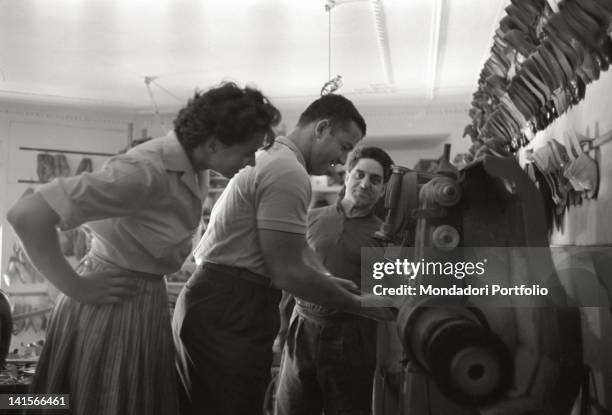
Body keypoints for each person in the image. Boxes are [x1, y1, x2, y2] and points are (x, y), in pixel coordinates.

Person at [6, 82, 281, 415]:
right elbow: (27, 215)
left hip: (139, 304)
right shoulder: (146, 170)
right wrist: (76, 286)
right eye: (246, 151)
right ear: (213, 143)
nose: (251, 162)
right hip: (110, 306)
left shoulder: (194, 170)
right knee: (87, 402)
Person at [172, 94, 394, 415]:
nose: (342, 161)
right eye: (345, 147)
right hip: (231, 306)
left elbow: (296, 253)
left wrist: (334, 284)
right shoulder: (289, 172)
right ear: (321, 129)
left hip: (224, 301)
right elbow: (287, 272)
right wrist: (361, 304)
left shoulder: (271, 158)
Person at [274, 146, 394, 415]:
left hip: (354, 336)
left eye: (375, 180)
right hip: (302, 328)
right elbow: (289, 278)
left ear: (383, 189)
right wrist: (281, 329)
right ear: (347, 175)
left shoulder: (388, 236)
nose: (365, 183)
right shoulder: (310, 219)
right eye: (359, 174)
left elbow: (393, 296)